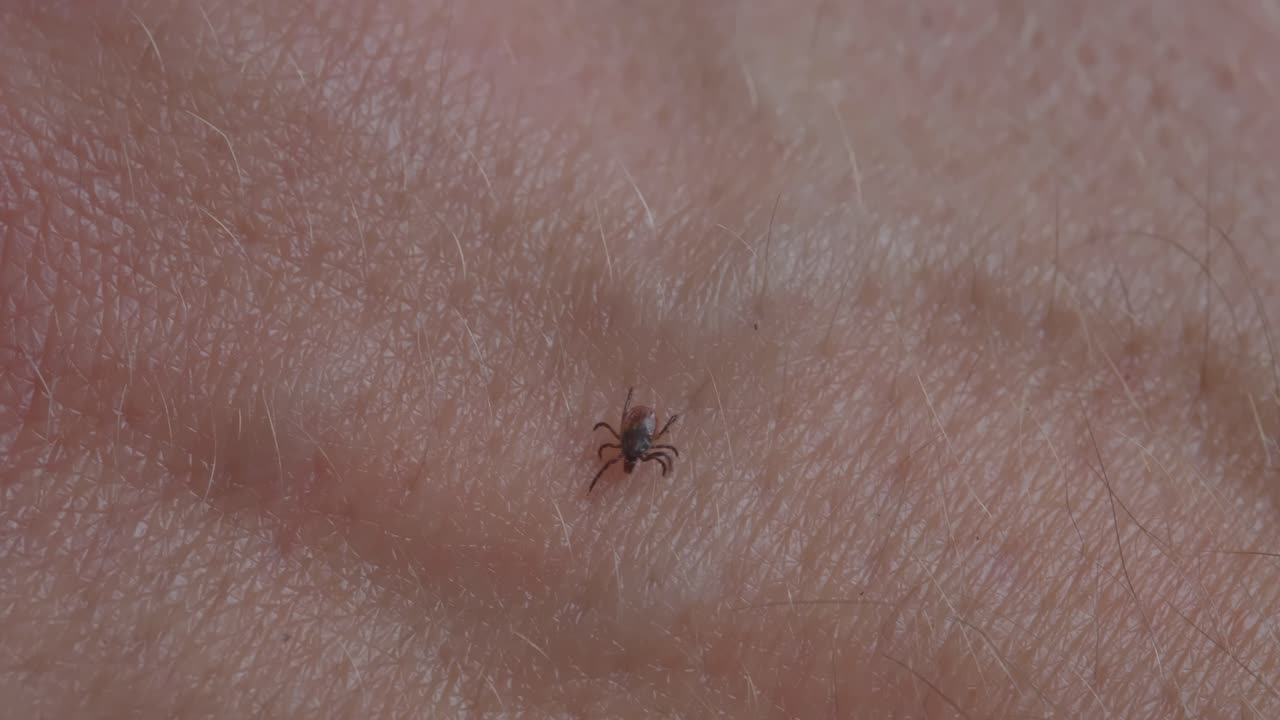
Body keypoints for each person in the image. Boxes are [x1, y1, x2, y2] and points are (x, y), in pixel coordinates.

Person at [3, 2, 1277, 717]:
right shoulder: (641, 441)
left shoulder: (633, 445)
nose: (631, 448)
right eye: (631, 444)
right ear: (634, 440)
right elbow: (638, 437)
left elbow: (632, 441)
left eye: (632, 445)